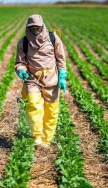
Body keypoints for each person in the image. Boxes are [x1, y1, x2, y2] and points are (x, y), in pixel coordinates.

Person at [15, 14, 67, 148]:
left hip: (51, 79)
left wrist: (62, 76)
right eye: (32, 29)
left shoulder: (53, 38)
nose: (35, 31)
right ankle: (37, 134)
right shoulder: (24, 42)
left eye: (37, 28)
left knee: (51, 110)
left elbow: (61, 59)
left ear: (42, 26)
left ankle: (46, 139)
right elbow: (20, 62)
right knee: (33, 104)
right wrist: (22, 71)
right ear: (28, 28)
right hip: (33, 79)